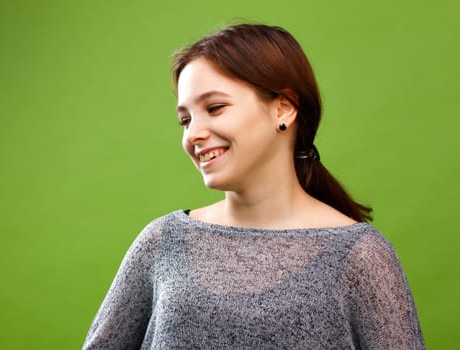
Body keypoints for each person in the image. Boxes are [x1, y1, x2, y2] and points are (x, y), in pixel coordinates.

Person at [82, 23, 425, 349]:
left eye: (214, 108)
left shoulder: (361, 256)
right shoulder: (163, 242)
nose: (193, 134)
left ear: (284, 109)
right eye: (185, 119)